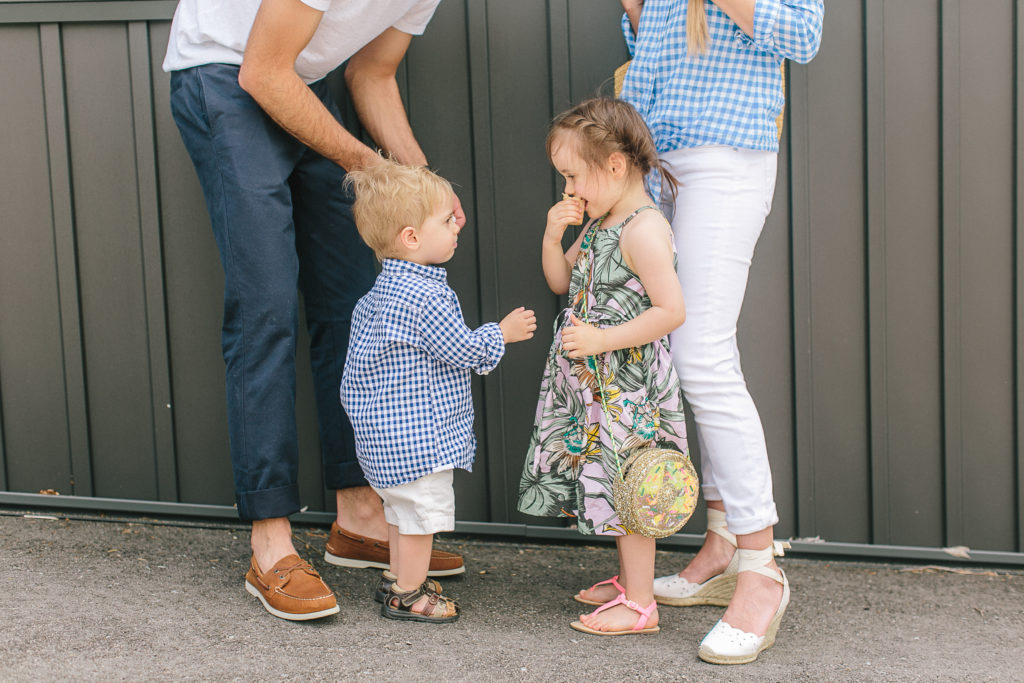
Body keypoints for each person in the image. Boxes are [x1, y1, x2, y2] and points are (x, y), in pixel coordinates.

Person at [162, 0, 465, 621]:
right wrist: (370, 164)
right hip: (226, 75)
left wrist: (422, 181)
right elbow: (261, 74)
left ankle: (357, 515)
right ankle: (269, 542)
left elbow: (372, 74)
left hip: (306, 83)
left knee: (355, 302)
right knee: (265, 306)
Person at [616, 0, 824, 664]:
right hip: (662, 159)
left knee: (699, 354)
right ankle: (723, 542)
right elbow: (656, 50)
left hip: (724, 156)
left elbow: (804, 32)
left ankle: (762, 568)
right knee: (688, 352)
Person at [517, 98, 688, 636]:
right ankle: (628, 579)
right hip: (600, 387)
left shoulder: (642, 229)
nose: (569, 190)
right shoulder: (600, 221)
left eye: (573, 176)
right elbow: (561, 282)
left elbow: (672, 311)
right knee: (614, 483)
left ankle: (641, 605)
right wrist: (553, 237)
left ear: (614, 165)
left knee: (633, 486)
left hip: (628, 389)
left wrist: (601, 339)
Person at [340, 160, 537, 623]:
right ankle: (409, 595)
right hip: (418, 440)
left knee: (398, 512)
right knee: (421, 517)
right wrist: (501, 333)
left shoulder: (377, 295)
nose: (456, 228)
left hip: (382, 438)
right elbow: (461, 349)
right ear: (411, 237)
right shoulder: (427, 297)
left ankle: (397, 578)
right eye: (447, 221)